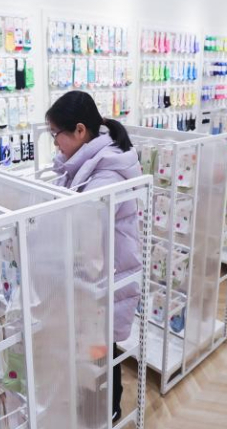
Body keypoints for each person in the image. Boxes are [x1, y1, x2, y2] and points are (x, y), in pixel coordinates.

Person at [46, 90, 142, 423]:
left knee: (99, 351)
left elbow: (88, 235)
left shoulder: (105, 174)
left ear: (80, 131)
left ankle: (108, 410)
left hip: (106, 277)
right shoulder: (92, 162)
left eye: (55, 134)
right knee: (95, 349)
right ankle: (97, 406)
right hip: (101, 275)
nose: (54, 142)